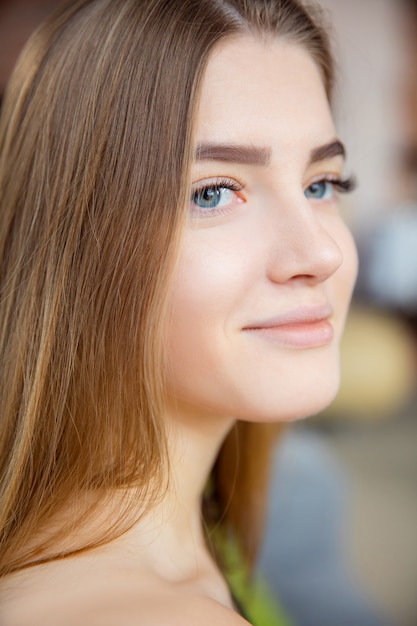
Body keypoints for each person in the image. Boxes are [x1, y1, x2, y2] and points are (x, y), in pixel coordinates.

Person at [0, 0, 358, 624]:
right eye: (214, 192)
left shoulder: (203, 535)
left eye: (320, 184)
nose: (321, 252)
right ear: (76, 245)